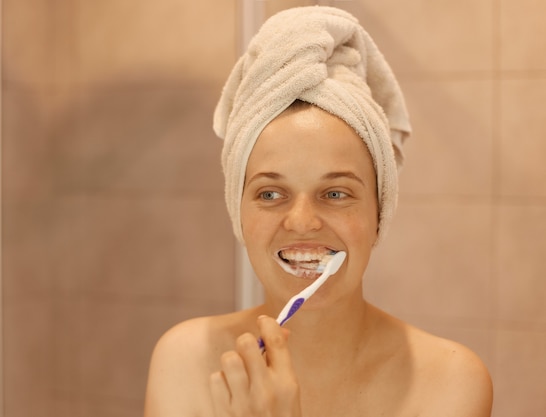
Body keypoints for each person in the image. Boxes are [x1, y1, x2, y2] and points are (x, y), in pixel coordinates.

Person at [144, 6, 493, 417]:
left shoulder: (449, 381)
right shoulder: (186, 362)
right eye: (271, 194)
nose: (302, 221)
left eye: (335, 193)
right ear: (238, 213)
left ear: (380, 212)